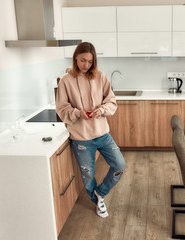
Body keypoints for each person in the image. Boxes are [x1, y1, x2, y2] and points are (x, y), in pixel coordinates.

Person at [56, 42, 125, 218]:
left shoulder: (101, 77)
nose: (86, 65)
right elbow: (62, 109)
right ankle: (98, 202)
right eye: (82, 60)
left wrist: (101, 109)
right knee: (88, 177)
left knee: (119, 165)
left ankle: (100, 193)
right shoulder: (66, 81)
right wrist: (78, 113)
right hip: (81, 138)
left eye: (90, 61)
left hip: (102, 134)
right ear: (75, 59)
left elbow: (112, 102)